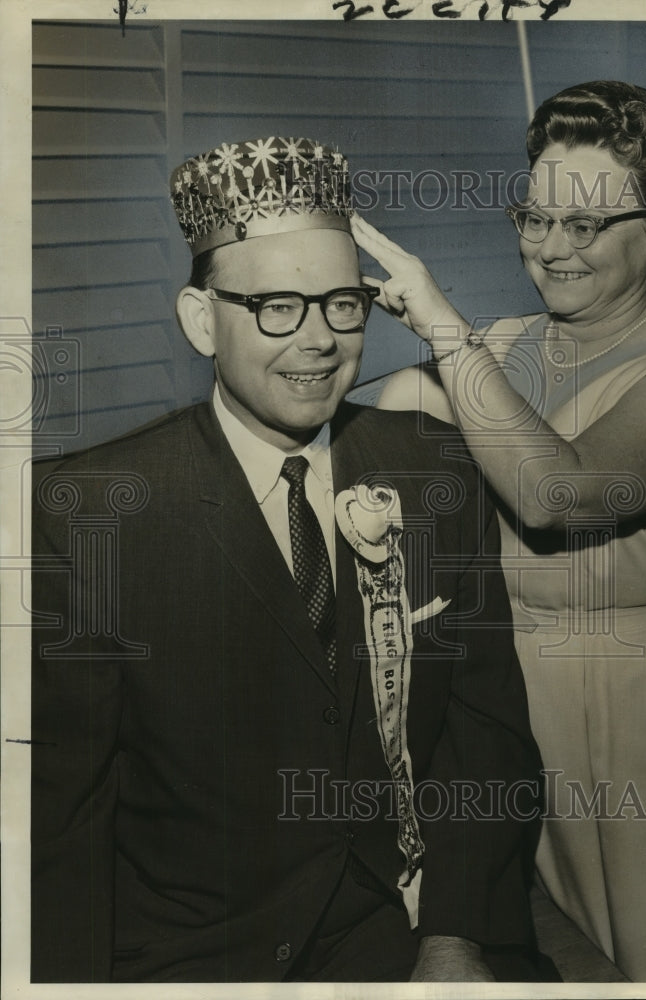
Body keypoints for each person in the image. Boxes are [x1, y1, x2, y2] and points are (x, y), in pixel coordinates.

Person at [30, 136, 555, 983]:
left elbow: (483, 740)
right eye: (277, 305)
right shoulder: (90, 511)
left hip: (402, 926)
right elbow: (62, 818)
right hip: (189, 956)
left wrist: (454, 937)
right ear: (202, 320)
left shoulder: (438, 473)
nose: (317, 341)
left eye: (341, 303)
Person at [351, 81, 646, 982]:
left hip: (644, 715)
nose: (548, 249)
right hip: (495, 710)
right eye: (534, 218)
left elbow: (556, 492)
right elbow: (369, 451)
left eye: (583, 226)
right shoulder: (496, 349)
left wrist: (437, 327)